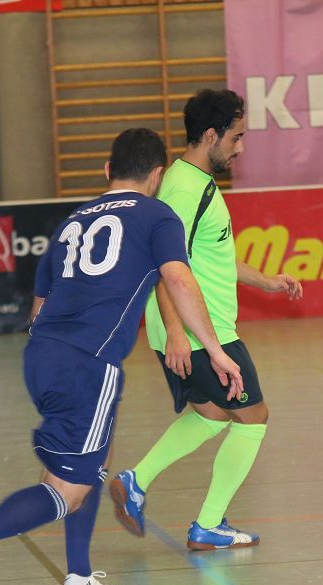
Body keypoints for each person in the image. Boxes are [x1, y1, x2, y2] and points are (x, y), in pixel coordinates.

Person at [0, 128, 244, 585]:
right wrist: (215, 350)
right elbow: (178, 278)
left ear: (108, 170)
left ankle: (79, 579)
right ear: (157, 175)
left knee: (96, 457)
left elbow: (38, 308)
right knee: (65, 492)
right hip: (87, 363)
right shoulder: (157, 215)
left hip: (43, 355)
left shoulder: (71, 222)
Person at [109, 89, 303, 551]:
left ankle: (136, 481)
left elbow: (212, 257)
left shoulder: (195, 183)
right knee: (253, 418)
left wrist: (266, 281)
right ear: (212, 135)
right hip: (201, 331)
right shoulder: (183, 190)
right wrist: (178, 332)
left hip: (196, 329)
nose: (241, 148)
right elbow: (162, 263)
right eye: (236, 138)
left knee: (214, 415)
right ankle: (208, 525)